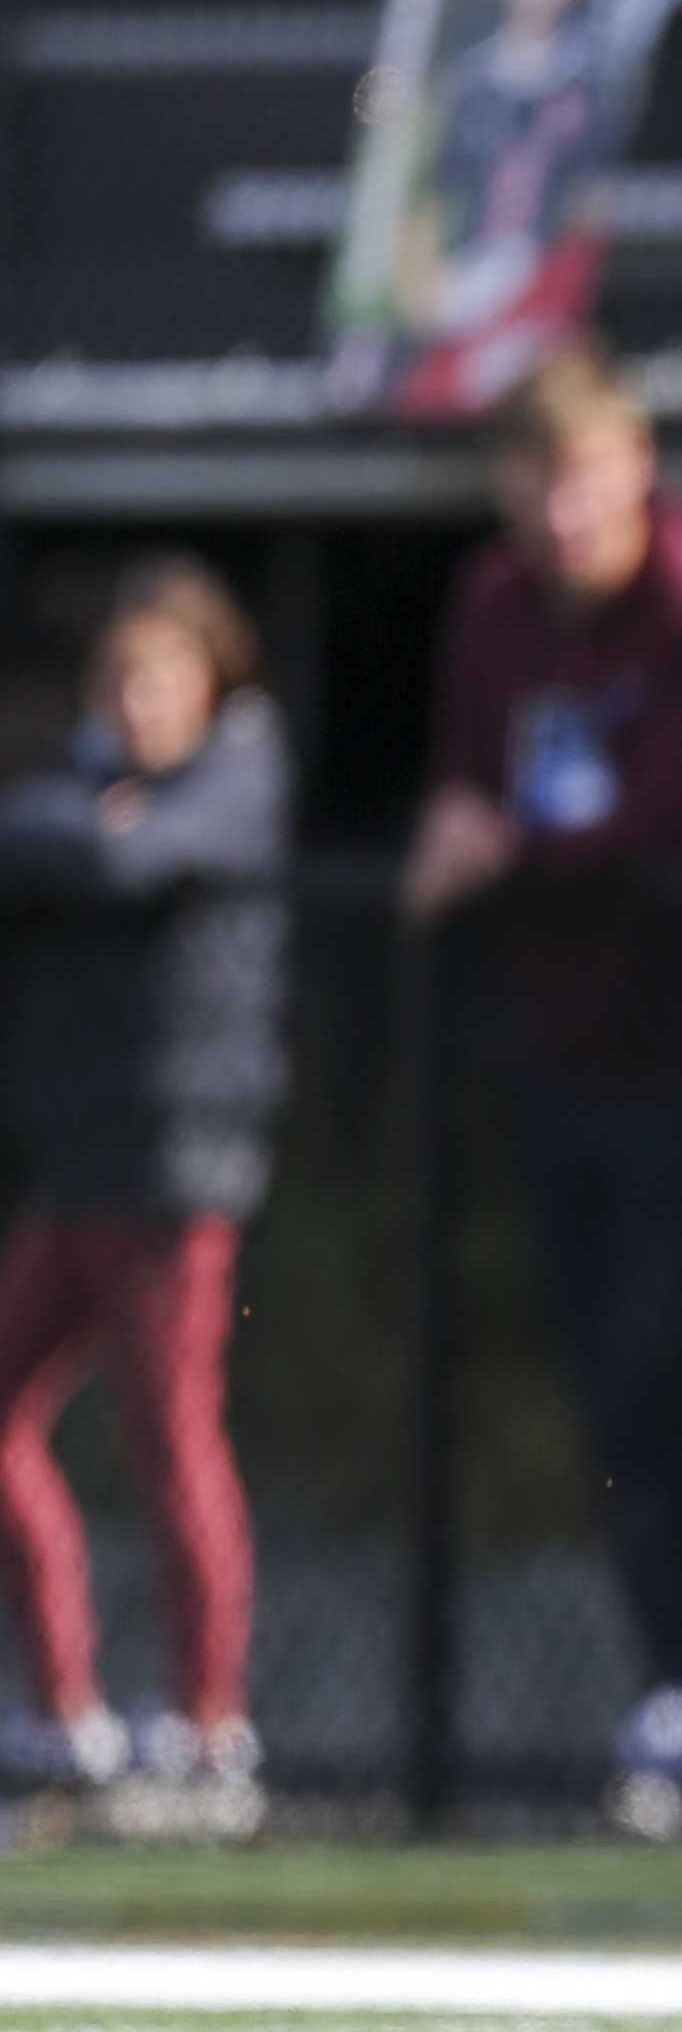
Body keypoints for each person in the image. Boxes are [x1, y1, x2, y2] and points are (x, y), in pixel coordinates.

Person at [403, 342, 682, 1826]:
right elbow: (465, 774)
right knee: (607, 1389)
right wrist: (459, 821)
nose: (561, 513)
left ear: (636, 471)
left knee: (669, 1364)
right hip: (556, 1048)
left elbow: (681, 815)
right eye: (535, 481)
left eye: (585, 478)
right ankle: (674, 1683)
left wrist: (510, 853)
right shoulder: (491, 604)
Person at [0, 557, 290, 1836]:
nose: (138, 699)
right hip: (75, 1163)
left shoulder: (241, 773)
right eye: (118, 679)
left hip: (179, 1168)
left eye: (162, 676)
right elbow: (44, 837)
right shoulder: (80, 784)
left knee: (171, 1440)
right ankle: (66, 1718)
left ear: (212, 682)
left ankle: (209, 1730)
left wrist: (94, 832)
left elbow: (127, 868)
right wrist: (85, 823)